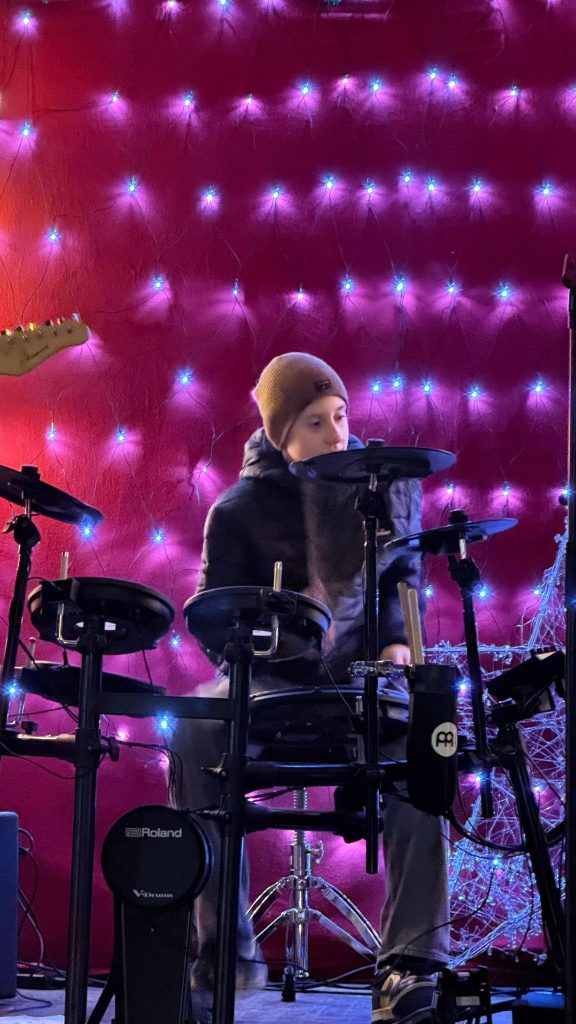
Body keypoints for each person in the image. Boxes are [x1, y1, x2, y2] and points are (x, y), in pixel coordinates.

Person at [171, 352, 450, 1024]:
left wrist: (396, 642)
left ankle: (410, 964)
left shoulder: (381, 490)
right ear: (280, 434)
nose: (337, 434)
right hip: (268, 683)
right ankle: (222, 954)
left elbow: (401, 585)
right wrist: (265, 640)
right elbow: (212, 618)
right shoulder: (236, 510)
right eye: (316, 422)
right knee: (195, 727)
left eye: (341, 416)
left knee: (428, 743)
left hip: (359, 684)